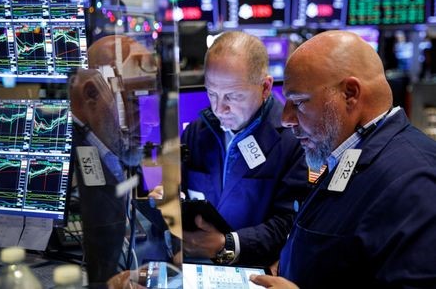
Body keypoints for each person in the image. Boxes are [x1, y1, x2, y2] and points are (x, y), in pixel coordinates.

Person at [250, 30, 436, 288]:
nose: (286, 118)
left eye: (299, 102)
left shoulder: (415, 183)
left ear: (350, 93)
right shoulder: (350, 153)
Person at [181, 31, 310, 266]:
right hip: (197, 264)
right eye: (212, 93)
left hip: (255, 271)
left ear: (265, 88)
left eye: (233, 96)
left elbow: (289, 222)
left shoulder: (294, 140)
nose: (219, 109)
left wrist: (227, 244)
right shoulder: (196, 131)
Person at [69, 35, 160, 287]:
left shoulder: (112, 147)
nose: (150, 119)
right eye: (133, 100)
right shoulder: (62, 160)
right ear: (91, 94)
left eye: (150, 99)